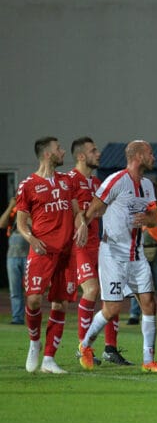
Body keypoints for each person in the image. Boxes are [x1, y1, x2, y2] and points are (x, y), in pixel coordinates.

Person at [77, 141, 157, 373]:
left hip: (136, 255)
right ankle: (85, 346)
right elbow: (94, 209)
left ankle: (149, 360)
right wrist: (83, 226)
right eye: (150, 153)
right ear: (138, 156)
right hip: (113, 254)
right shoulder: (116, 181)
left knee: (149, 304)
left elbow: (153, 218)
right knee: (112, 309)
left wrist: (146, 220)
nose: (154, 157)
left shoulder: (148, 185)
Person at [16, 136, 86, 374]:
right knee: (34, 300)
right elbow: (21, 222)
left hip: (67, 252)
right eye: (59, 149)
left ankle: (49, 359)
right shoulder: (28, 185)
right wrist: (31, 238)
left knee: (60, 303)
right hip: (42, 251)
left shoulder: (67, 181)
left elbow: (76, 212)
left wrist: (82, 224)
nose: (62, 151)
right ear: (47, 154)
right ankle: (34, 342)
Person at [67, 136, 129, 366]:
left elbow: (103, 211)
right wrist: (81, 221)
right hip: (79, 246)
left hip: (100, 245)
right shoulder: (69, 180)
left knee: (112, 294)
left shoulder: (97, 183)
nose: (98, 154)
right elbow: (72, 211)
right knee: (91, 290)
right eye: (93, 151)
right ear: (81, 156)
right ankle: (83, 347)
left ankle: (110, 348)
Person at [128, 194, 157, 324]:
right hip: (141, 248)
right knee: (139, 283)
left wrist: (156, 207)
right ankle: (134, 314)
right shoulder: (137, 205)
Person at [1, 198, 27, 325]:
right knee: (15, 290)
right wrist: (11, 206)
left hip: (28, 255)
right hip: (12, 256)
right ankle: (17, 317)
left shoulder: (30, 211)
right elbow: (1, 223)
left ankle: (33, 316)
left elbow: (35, 227)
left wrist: (25, 212)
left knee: (32, 290)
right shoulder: (12, 212)